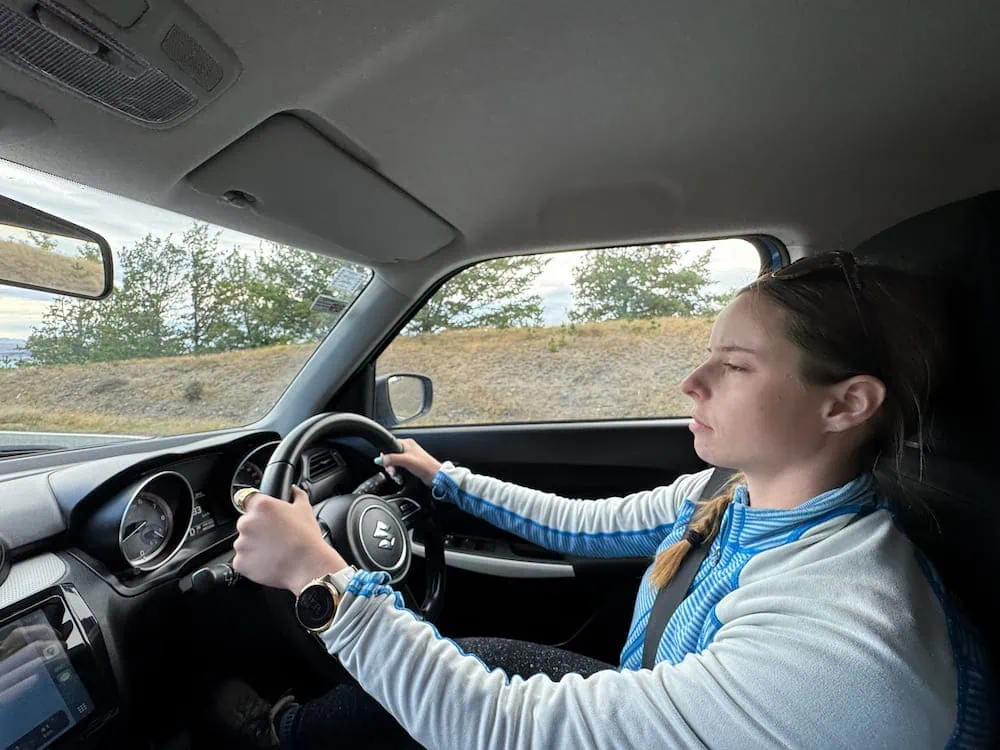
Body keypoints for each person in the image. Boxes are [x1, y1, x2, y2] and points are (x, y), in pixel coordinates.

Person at [219, 251, 992, 749]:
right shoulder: (739, 490)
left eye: (737, 366)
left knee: (450, 694)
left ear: (845, 405)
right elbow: (584, 525)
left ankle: (275, 739)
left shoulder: (842, 639)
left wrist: (319, 580)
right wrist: (444, 479)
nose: (692, 383)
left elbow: (497, 727)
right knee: (466, 662)